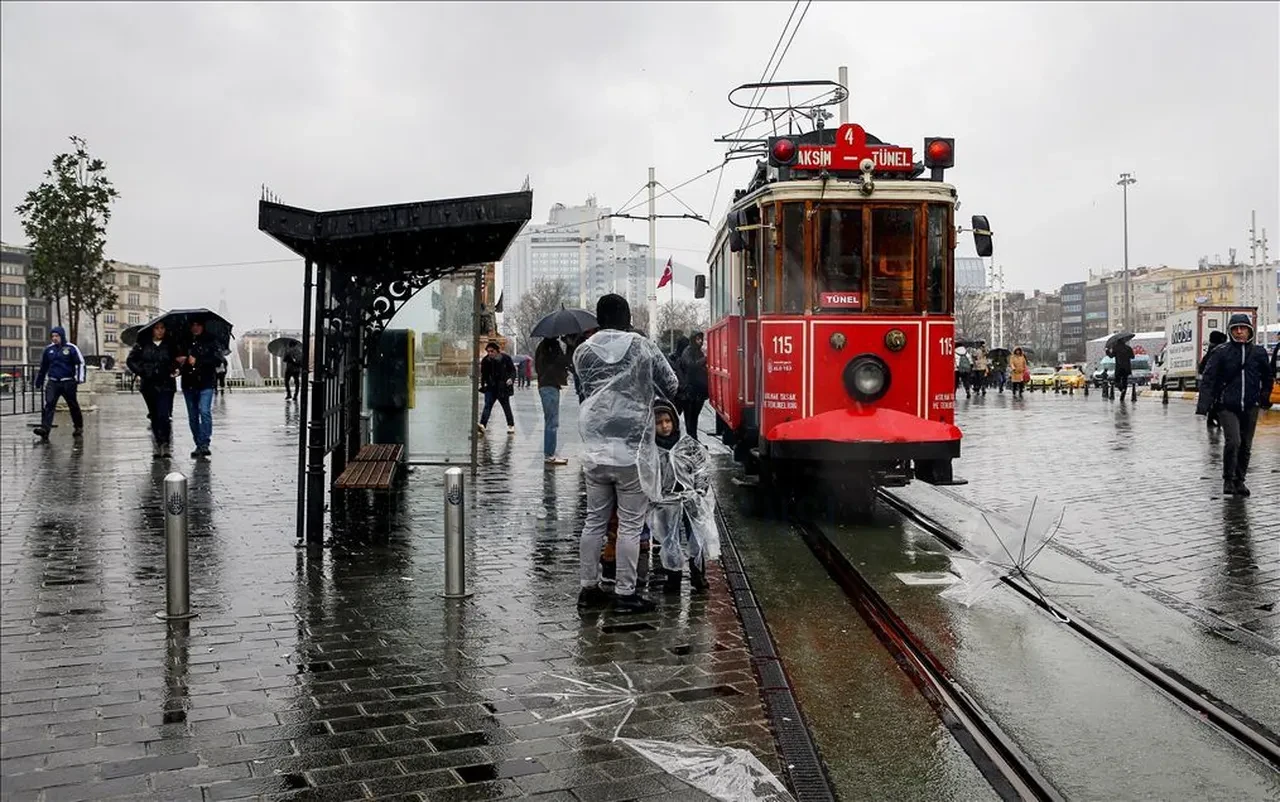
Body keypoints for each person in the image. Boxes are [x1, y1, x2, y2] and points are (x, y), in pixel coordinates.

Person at [575, 294, 679, 613]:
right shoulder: (642, 346)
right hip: (631, 447)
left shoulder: (582, 351)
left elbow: (587, 390)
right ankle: (625, 593)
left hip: (594, 444)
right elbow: (671, 384)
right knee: (631, 524)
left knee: (594, 520)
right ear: (627, 316)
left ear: (598, 318)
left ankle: (588, 589)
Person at [1195, 313, 1273, 497]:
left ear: (1249, 331)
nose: (1239, 332)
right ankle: (1228, 479)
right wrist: (1203, 406)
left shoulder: (1259, 353)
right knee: (1234, 441)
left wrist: (1264, 396)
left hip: (1250, 405)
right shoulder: (1221, 352)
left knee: (1246, 444)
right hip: (1226, 405)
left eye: (1243, 328)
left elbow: (1267, 377)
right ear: (1230, 331)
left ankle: (1240, 480)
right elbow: (1209, 378)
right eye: (1235, 329)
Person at [649, 399, 718, 593]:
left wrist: (699, 491)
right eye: (659, 422)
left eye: (668, 421)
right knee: (670, 540)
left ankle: (698, 574)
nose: (664, 426)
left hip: (690, 500)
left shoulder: (686, 445)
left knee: (696, 536)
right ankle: (673, 577)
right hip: (666, 502)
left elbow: (701, 468)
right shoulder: (650, 450)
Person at [126, 321, 180, 457]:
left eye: (162, 328)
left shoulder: (171, 345)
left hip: (166, 384)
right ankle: (158, 443)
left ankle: (165, 443)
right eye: (157, 328)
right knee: (154, 415)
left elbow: (178, 361)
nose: (160, 331)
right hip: (149, 385)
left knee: (164, 415)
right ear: (152, 330)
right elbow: (130, 361)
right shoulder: (142, 345)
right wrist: (143, 371)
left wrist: (176, 368)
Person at [179, 320, 225, 458]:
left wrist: (198, 360)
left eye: (198, 325)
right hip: (189, 382)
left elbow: (217, 360)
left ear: (203, 326)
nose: (195, 327)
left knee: (204, 411)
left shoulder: (211, 340)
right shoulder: (184, 341)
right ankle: (198, 443)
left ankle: (205, 442)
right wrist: (181, 361)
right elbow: (177, 358)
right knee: (193, 416)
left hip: (205, 382)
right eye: (193, 325)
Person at [33, 326, 85, 440]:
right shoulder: (48, 350)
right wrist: (39, 381)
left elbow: (80, 363)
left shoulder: (71, 348)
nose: (54, 338)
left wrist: (79, 378)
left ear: (62, 336)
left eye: (57, 336)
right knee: (49, 404)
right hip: (53, 382)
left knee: (73, 405)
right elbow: (44, 367)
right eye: (52, 336)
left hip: (68, 381)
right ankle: (45, 429)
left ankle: (78, 427)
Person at [534, 336, 571, 466]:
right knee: (552, 422)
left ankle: (550, 453)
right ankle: (550, 454)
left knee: (550, 421)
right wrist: (568, 346)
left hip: (546, 384)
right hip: (549, 385)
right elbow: (562, 362)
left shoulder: (543, 346)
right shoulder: (550, 347)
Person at [478, 340, 516, 435]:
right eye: (488, 351)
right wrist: (483, 385)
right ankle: (482, 425)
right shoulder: (486, 360)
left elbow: (512, 370)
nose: (490, 353)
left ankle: (510, 425)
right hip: (491, 387)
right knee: (487, 406)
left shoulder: (506, 358)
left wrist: (510, 379)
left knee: (506, 407)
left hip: (502, 387)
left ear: (497, 351)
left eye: (492, 351)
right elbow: (484, 374)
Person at [678, 331, 709, 440]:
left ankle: (694, 439)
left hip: (698, 392)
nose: (700, 341)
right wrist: (705, 359)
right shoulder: (688, 351)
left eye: (701, 339)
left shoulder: (698, 352)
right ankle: (691, 440)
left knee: (694, 418)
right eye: (697, 339)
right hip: (690, 392)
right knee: (690, 419)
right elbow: (691, 365)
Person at [1198, 330, 1229, 429]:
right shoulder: (1218, 352)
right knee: (1218, 401)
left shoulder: (1210, 352)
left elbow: (1202, 368)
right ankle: (1215, 418)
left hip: (1213, 384)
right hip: (1219, 383)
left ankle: (1212, 418)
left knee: (1214, 401)